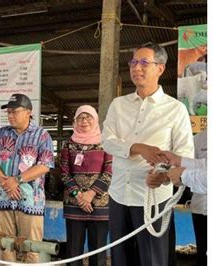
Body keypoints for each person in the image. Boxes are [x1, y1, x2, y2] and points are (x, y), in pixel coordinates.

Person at [101, 42, 194, 266]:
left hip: (153, 199)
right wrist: (138, 148)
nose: (136, 68)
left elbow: (184, 154)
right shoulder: (118, 105)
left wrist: (163, 175)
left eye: (144, 62)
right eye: (133, 62)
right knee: (120, 258)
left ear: (160, 68)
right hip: (119, 195)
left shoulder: (175, 109)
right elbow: (107, 142)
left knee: (153, 260)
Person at [0, 93, 55, 263]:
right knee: (5, 246)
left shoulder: (42, 135)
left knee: (31, 248)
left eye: (14, 112)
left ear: (28, 112)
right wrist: (4, 182)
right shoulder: (1, 134)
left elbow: (45, 165)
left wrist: (16, 180)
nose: (10, 116)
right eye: (8, 112)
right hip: (3, 198)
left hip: (30, 201)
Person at [60, 105, 112, 266]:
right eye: (80, 118)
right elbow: (64, 172)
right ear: (75, 121)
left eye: (88, 117)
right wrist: (79, 195)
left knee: (98, 252)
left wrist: (90, 194)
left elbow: (110, 171)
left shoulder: (106, 143)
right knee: (73, 252)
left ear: (95, 120)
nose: (84, 121)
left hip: (99, 205)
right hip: (75, 204)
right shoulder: (68, 145)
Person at [147, 129, 207, 266]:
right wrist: (177, 160)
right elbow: (204, 165)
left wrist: (183, 175)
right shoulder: (199, 138)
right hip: (200, 209)